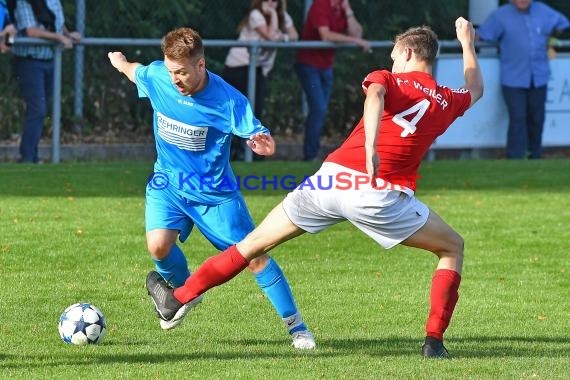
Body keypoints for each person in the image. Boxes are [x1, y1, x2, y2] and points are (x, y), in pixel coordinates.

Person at [145, 18, 484, 358]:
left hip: (330, 179)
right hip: (378, 195)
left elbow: (377, 94)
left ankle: (179, 298)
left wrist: (370, 146)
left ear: (408, 52)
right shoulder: (445, 99)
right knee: (452, 246)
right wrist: (467, 43)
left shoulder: (388, 78)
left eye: (396, 56)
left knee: (251, 245)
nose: (394, 62)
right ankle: (434, 342)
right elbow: (476, 89)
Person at [107, 27, 315, 349]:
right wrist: (120, 63)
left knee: (255, 257)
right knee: (158, 246)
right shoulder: (159, 77)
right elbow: (136, 72)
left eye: (182, 72)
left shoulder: (228, 100)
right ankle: (182, 293)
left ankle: (297, 328)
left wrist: (265, 144)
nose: (175, 78)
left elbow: (256, 131)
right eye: (170, 70)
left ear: (201, 65)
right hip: (168, 184)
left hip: (215, 195)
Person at [477, 0, 569, 159]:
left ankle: (535, 155)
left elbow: (562, 24)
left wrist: (550, 36)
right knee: (517, 118)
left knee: (537, 119)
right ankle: (515, 158)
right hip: (513, 78)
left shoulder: (543, 10)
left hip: (539, 76)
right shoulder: (500, 15)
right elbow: (483, 34)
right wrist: (466, 37)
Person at [223, 0, 298, 161]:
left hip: (257, 69)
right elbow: (271, 37)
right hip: (238, 67)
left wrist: (281, 35)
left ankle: (254, 153)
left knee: (255, 110)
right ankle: (236, 152)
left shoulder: (283, 16)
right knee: (238, 113)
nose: (271, 2)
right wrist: (272, 16)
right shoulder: (256, 14)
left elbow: (294, 35)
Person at [296, 0, 370, 161]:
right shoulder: (320, 5)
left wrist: (348, 11)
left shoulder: (342, 8)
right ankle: (310, 155)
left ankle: (311, 153)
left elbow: (357, 33)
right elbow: (325, 35)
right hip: (309, 65)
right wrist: (355, 41)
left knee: (320, 110)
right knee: (319, 109)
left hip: (326, 67)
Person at [10, 0, 81, 163]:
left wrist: (67, 34)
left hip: (50, 59)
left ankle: (32, 155)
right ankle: (27, 156)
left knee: (41, 109)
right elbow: (30, 31)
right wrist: (59, 38)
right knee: (38, 109)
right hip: (30, 62)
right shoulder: (24, 2)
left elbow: (57, 23)